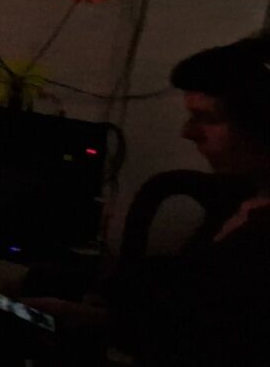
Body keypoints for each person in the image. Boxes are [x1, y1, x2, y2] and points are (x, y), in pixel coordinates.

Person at [24, 35, 270, 365]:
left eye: (207, 118)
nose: (188, 132)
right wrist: (90, 318)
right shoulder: (241, 196)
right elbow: (187, 318)